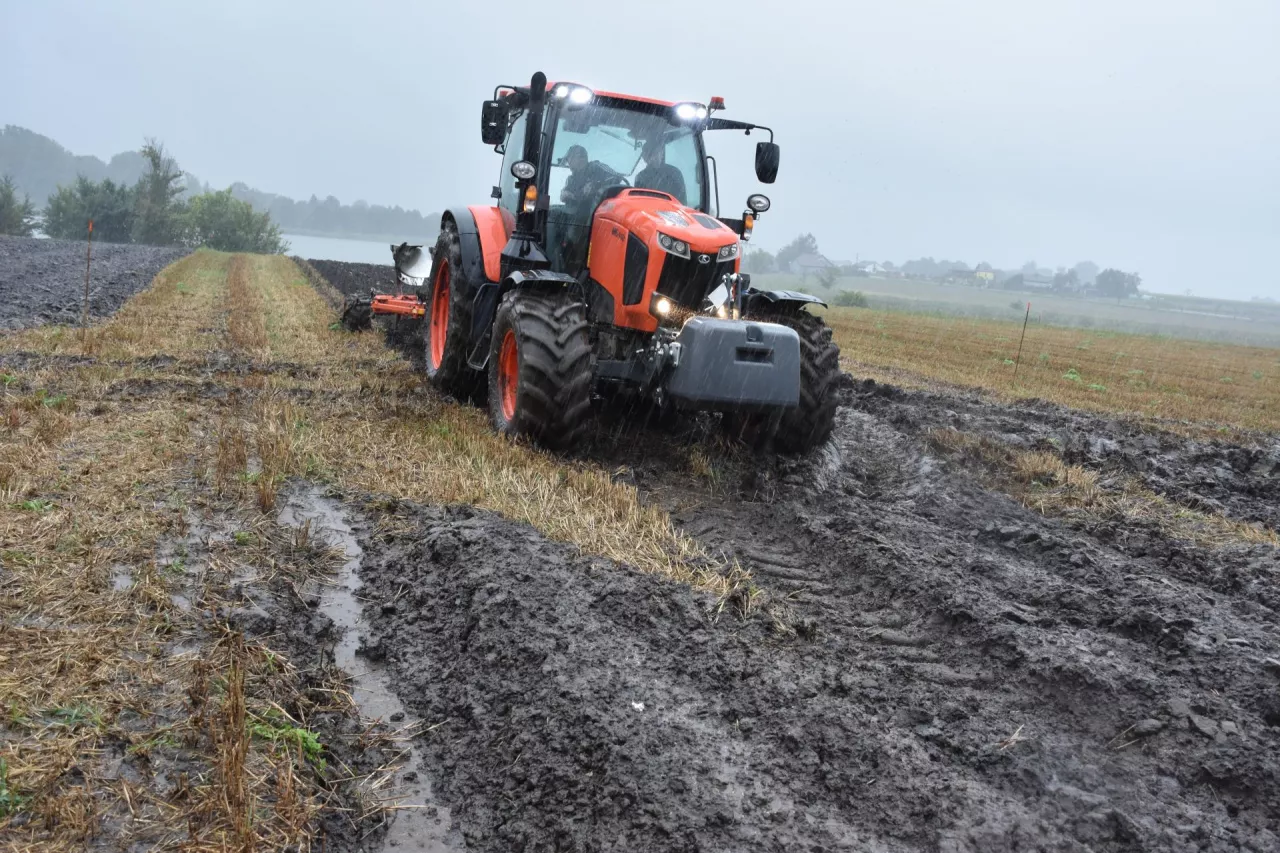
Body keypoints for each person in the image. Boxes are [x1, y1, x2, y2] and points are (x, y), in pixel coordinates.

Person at [634, 137, 686, 205]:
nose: (653, 157)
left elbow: (682, 203)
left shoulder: (674, 173)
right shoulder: (641, 177)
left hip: (672, 212)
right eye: (649, 154)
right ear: (644, 157)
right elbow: (638, 202)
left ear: (661, 153)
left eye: (656, 153)